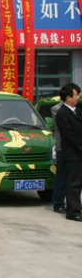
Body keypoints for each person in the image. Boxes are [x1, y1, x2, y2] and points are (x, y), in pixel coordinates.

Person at [55, 83, 82, 222]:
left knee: (79, 183)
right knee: (73, 184)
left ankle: (77, 207)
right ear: (68, 97)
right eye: (76, 95)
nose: (78, 97)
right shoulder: (62, 113)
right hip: (72, 154)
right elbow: (69, 135)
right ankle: (73, 212)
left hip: (79, 153)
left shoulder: (77, 111)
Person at [51, 101, 66, 214]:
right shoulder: (57, 109)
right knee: (62, 176)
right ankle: (58, 203)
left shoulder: (76, 110)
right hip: (63, 147)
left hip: (74, 149)